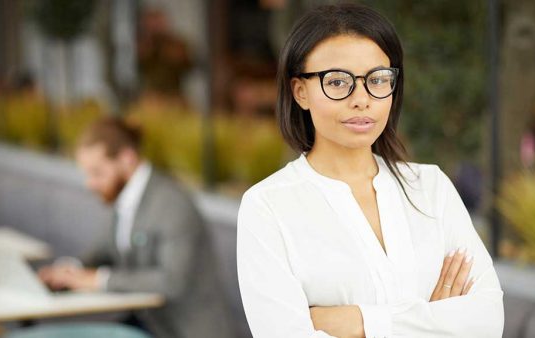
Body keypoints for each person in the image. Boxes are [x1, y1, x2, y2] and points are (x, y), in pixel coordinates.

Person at [236, 4, 504, 338]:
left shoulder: (431, 188)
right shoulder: (267, 207)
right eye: (337, 82)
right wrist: (433, 320)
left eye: (377, 79)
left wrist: (359, 322)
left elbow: (487, 320)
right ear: (300, 91)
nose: (362, 99)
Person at [39, 118, 233, 338]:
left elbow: (172, 281)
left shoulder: (171, 203)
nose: (90, 183)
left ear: (127, 159)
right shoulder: (124, 196)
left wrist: (99, 280)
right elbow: (104, 250)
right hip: (148, 322)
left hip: (183, 330)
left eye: (97, 172)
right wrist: (70, 270)